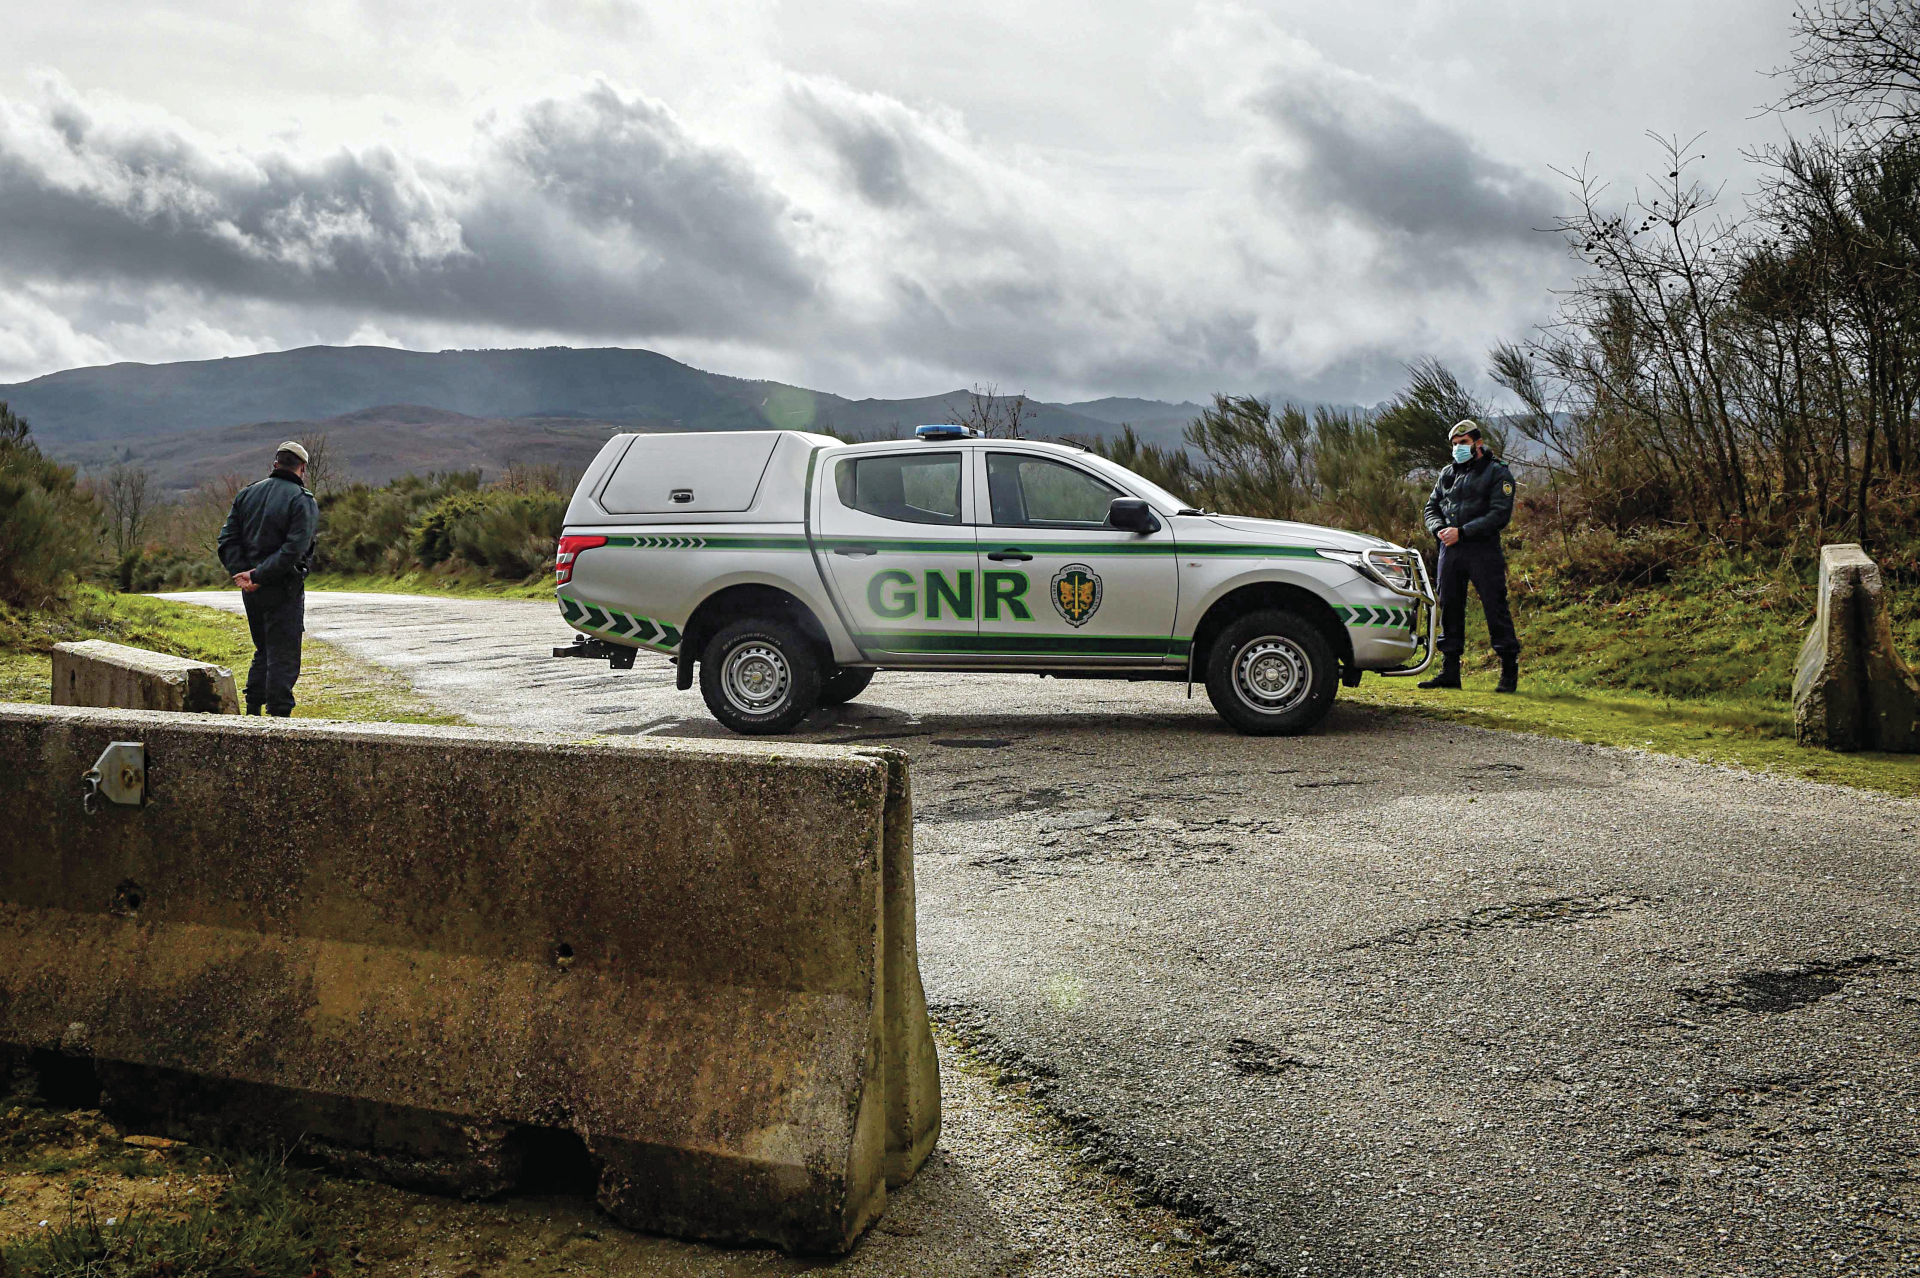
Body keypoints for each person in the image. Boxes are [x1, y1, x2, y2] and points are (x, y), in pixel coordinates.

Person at [1418, 419, 1519, 693]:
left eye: (1462, 443)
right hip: (1449, 550)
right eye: (1454, 444)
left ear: (1478, 443)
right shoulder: (1447, 473)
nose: (1458, 448)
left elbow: (1499, 514)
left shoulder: (1497, 473)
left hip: (1482, 550)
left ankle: (1508, 672)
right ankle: (1450, 672)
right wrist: (1439, 529)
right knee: (1449, 607)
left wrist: (1462, 532)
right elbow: (1431, 507)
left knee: (1495, 608)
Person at [217, 442, 319, 716]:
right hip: (283, 588)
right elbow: (294, 550)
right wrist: (259, 575)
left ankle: (252, 713)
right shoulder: (301, 500)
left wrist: (245, 575)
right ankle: (278, 723)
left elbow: (227, 540)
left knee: (263, 649)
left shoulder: (246, 495)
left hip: (251, 592)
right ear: (302, 468)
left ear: (275, 464)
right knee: (283, 656)